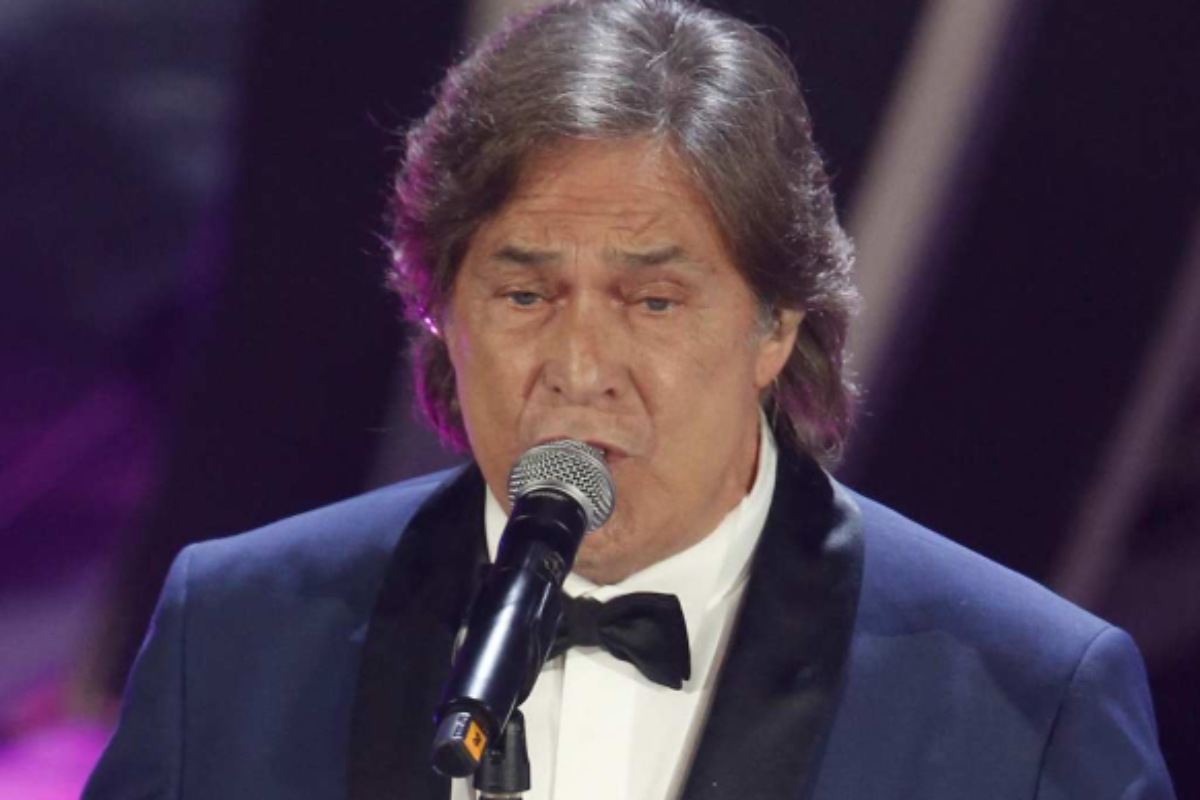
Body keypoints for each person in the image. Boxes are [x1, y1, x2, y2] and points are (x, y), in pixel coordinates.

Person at [83, 1, 1176, 798]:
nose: (580, 364)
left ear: (776, 326)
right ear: (439, 313)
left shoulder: (1027, 699)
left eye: (653, 300)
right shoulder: (235, 632)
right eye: (524, 294)